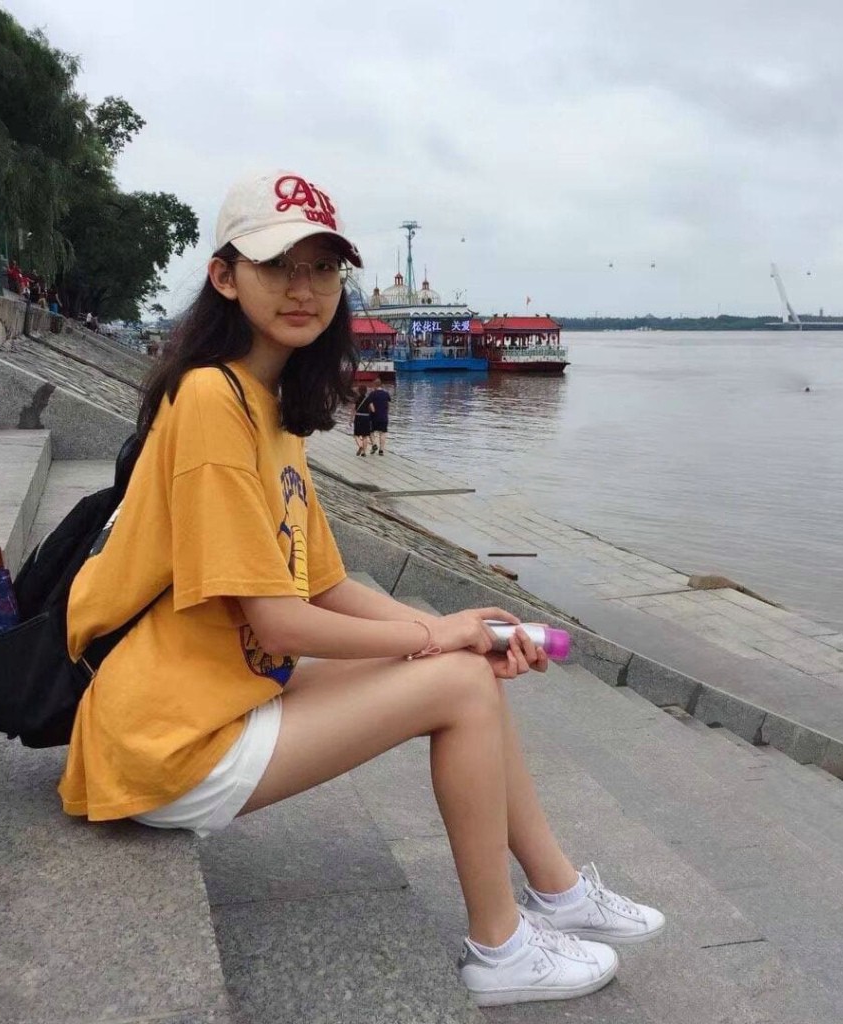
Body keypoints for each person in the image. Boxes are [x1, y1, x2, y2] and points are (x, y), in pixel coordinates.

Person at [57, 167, 664, 1008]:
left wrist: (452, 626)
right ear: (225, 276)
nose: (304, 288)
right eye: (278, 265)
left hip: (218, 693)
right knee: (455, 678)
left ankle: (557, 891)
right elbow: (280, 620)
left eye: (322, 267)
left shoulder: (267, 405)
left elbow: (327, 582)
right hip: (168, 739)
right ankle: (501, 948)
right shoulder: (208, 401)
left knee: (465, 666)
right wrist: (433, 638)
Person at [368, 375, 391, 454]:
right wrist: (386, 413)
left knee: (371, 432)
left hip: (374, 417)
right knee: (383, 433)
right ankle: (381, 450)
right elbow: (388, 405)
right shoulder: (386, 394)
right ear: (381, 384)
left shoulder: (372, 394)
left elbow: (372, 408)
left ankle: (374, 444)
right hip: (384, 417)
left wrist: (372, 411)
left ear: (374, 385)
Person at [352, 384, 374, 456]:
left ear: (359, 390)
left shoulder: (356, 398)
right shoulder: (368, 399)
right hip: (366, 418)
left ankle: (360, 445)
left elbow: (353, 409)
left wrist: (350, 419)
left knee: (356, 435)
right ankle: (364, 452)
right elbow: (373, 409)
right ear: (366, 391)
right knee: (365, 436)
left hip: (358, 417)